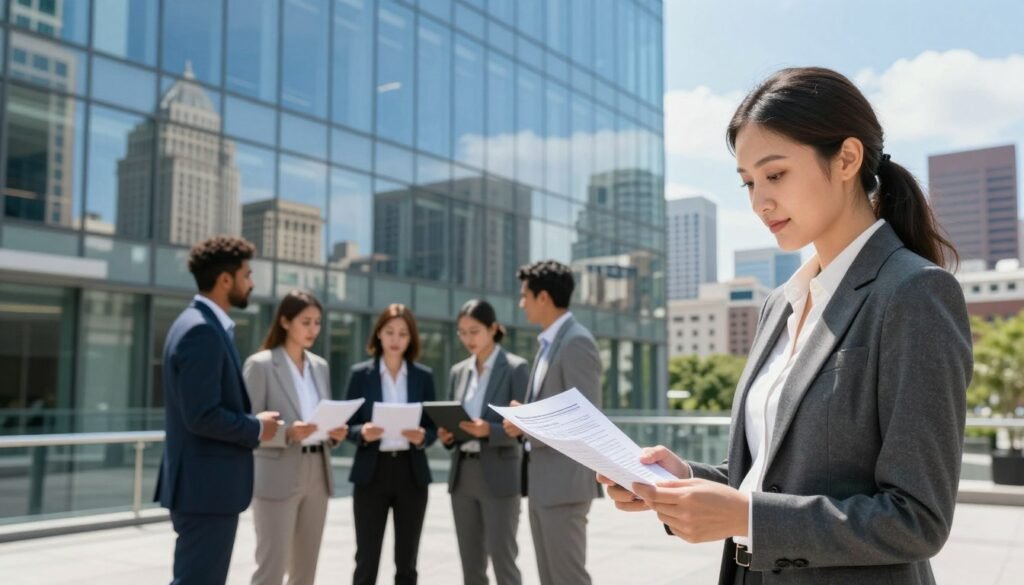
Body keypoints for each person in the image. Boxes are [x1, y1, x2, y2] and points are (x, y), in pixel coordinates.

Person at [599, 67, 973, 585]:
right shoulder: (782, 303)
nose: (758, 202)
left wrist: (745, 517)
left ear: (846, 158)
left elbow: (917, 519)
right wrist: (684, 480)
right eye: (749, 182)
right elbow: (772, 476)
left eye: (775, 175)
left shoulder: (913, 293)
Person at [155, 236, 281, 585]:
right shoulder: (201, 331)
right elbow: (202, 416)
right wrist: (256, 428)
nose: (252, 283)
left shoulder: (196, 324)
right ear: (226, 280)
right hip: (205, 491)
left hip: (202, 488)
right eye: (247, 274)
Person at [502, 260, 603, 585]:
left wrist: (527, 424)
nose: (521, 304)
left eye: (524, 296)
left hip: (564, 486)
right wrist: (525, 416)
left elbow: (585, 419)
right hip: (543, 483)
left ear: (542, 297)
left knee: (568, 577)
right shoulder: (550, 343)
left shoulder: (576, 342)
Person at [243, 290, 348, 585]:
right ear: (285, 321)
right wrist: (287, 432)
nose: (313, 329)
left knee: (305, 572)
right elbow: (247, 426)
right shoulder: (261, 365)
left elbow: (321, 415)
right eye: (306, 322)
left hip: (318, 473)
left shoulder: (320, 366)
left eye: (317, 322)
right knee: (271, 569)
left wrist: (334, 433)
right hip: (277, 473)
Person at [344, 304, 437, 585]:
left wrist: (424, 437)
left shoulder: (423, 376)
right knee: (366, 560)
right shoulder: (361, 374)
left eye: (403, 333)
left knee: (407, 563)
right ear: (379, 335)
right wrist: (363, 432)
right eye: (390, 332)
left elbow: (433, 427)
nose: (396, 339)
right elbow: (346, 425)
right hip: (372, 473)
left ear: (411, 339)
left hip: (411, 473)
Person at [439, 299, 529, 585]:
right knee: (471, 567)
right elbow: (458, 418)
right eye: (462, 332)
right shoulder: (458, 371)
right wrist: (449, 434)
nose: (468, 339)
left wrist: (488, 431)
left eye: (474, 331)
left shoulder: (515, 368)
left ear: (493, 329)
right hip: (462, 475)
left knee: (504, 562)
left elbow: (525, 428)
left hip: (500, 477)